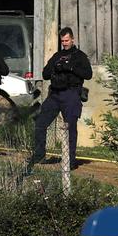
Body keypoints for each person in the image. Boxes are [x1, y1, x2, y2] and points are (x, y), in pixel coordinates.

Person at [26, 26, 93, 172]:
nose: (65, 43)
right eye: (62, 41)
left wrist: (71, 68)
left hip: (71, 94)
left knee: (70, 128)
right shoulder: (57, 56)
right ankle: (39, 156)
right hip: (55, 95)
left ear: (73, 39)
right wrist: (56, 67)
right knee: (40, 123)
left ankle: (70, 161)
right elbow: (45, 74)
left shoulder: (80, 56)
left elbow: (88, 74)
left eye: (67, 40)